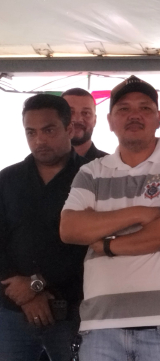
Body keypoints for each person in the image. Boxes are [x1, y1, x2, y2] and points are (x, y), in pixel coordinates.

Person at [59, 76, 160, 361]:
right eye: (124, 109)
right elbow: (70, 228)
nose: (135, 115)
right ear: (110, 121)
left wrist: (108, 244)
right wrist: (140, 213)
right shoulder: (91, 172)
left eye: (145, 108)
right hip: (100, 327)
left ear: (158, 118)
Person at [0, 94, 88, 361]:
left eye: (48, 130)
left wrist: (37, 284)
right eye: (31, 132)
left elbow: (92, 244)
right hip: (12, 309)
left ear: (69, 129)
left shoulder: (91, 177)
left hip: (73, 309)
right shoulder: (7, 179)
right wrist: (26, 294)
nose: (39, 140)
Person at [62, 88, 109, 161]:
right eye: (70, 112)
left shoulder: (110, 165)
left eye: (86, 113)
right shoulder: (43, 163)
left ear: (95, 120)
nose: (77, 119)